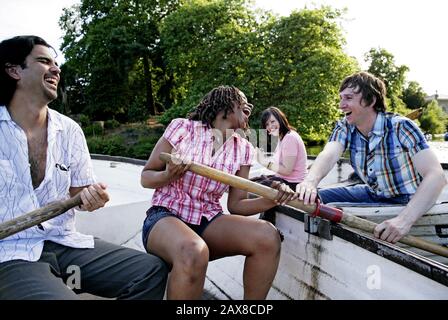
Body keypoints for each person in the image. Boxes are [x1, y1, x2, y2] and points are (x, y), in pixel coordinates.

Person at [0, 35, 168, 300]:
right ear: (14, 70)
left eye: (56, 63)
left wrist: (92, 198)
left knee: (148, 271)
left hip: (64, 243)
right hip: (9, 253)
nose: (56, 69)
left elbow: (81, 193)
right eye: (44, 61)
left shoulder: (69, 130)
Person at [140, 85, 297, 299]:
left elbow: (237, 205)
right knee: (194, 250)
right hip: (165, 216)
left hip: (208, 221)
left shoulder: (244, 148)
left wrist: (273, 199)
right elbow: (146, 176)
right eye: (243, 103)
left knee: (267, 236)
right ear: (225, 104)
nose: (249, 108)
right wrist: (169, 175)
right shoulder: (183, 128)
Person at [296, 71, 447, 244]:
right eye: (341, 98)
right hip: (373, 193)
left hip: (406, 199)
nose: (341, 105)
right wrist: (310, 182)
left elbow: (437, 176)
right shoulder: (345, 126)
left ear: (371, 100)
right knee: (310, 199)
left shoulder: (401, 126)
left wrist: (404, 220)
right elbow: (328, 155)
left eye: (348, 98)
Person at [253, 106, 308, 190]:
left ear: (280, 119)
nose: (270, 126)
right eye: (267, 124)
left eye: (272, 121)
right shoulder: (282, 138)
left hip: (293, 184)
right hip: (284, 179)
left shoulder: (290, 138)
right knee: (253, 181)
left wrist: (265, 162)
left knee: (253, 189)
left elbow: (287, 171)